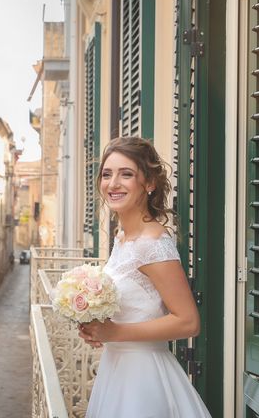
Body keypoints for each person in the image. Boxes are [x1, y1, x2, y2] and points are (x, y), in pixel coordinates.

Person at [79, 137, 211, 417]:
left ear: (149, 183)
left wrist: (115, 332)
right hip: (116, 369)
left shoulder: (153, 244)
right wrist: (96, 326)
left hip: (144, 379)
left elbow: (188, 321)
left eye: (126, 174)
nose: (113, 184)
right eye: (107, 174)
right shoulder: (123, 238)